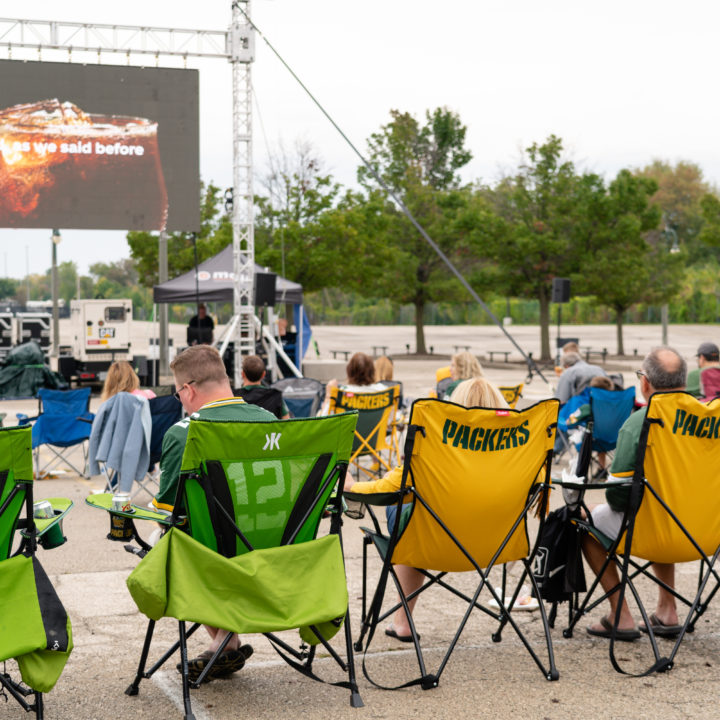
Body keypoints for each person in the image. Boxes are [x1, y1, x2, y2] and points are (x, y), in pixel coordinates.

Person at [344, 377, 509, 641]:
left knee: (405, 514)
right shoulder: (518, 450)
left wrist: (352, 488)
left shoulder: (436, 442)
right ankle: (402, 621)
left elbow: (389, 489)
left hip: (435, 543)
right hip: (499, 545)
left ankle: (403, 621)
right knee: (415, 515)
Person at [152, 345, 275, 681]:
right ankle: (226, 641)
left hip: (214, 566)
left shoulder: (184, 433)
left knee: (164, 539)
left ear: (188, 389)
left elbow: (169, 512)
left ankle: (225, 639)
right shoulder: (272, 423)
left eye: (178, 393)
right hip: (276, 553)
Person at [583, 347, 686, 641]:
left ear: (645, 383)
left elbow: (618, 497)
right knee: (663, 507)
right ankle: (668, 610)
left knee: (583, 520)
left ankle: (621, 616)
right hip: (703, 531)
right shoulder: (711, 419)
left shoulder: (640, 423)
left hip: (655, 527)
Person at [320, 352, 387, 415]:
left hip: (348, 427)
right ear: (372, 371)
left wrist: (329, 395)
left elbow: (324, 419)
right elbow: (391, 419)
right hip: (377, 427)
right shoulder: (384, 391)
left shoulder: (342, 393)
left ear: (349, 371)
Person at [237, 355, 290, 419]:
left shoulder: (234, 398)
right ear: (263, 374)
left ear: (242, 374)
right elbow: (287, 421)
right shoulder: (275, 396)